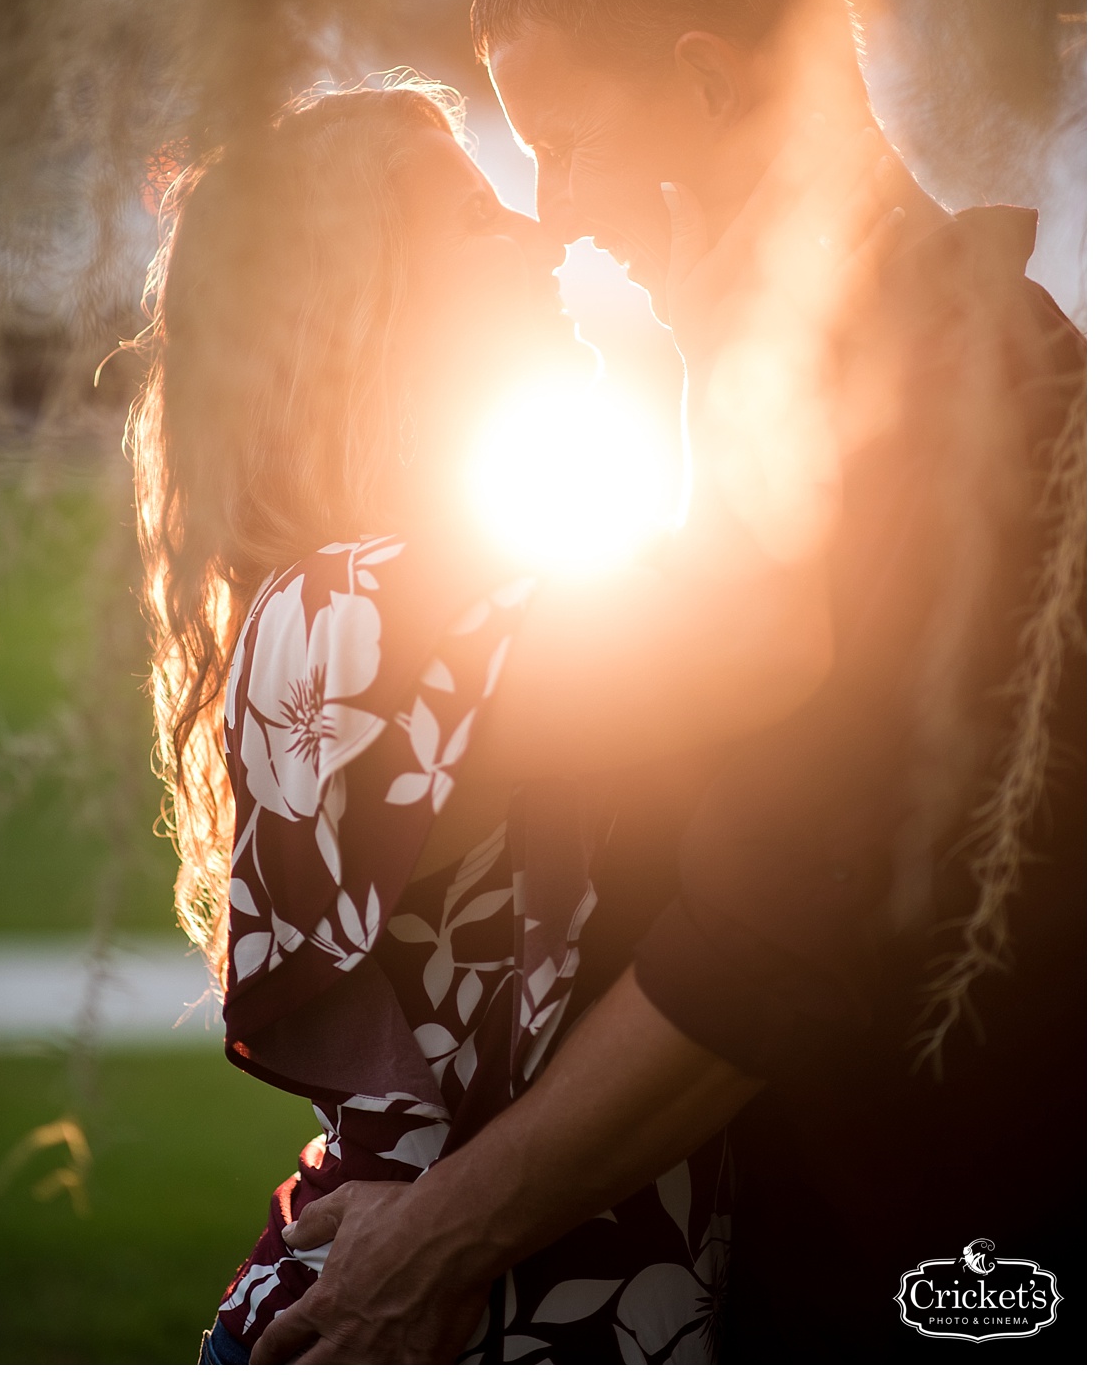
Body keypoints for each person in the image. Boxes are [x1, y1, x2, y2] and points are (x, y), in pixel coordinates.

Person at [252, 0, 1085, 1364]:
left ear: (707, 87)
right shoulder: (809, 402)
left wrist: (431, 1241)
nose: (555, 214)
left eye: (563, 140)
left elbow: (770, 938)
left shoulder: (956, 400)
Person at [130, 80, 887, 1363]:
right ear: (364, 306)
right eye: (477, 219)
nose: (541, 235)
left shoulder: (483, 584)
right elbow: (768, 638)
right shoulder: (346, 610)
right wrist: (747, 305)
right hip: (443, 1312)